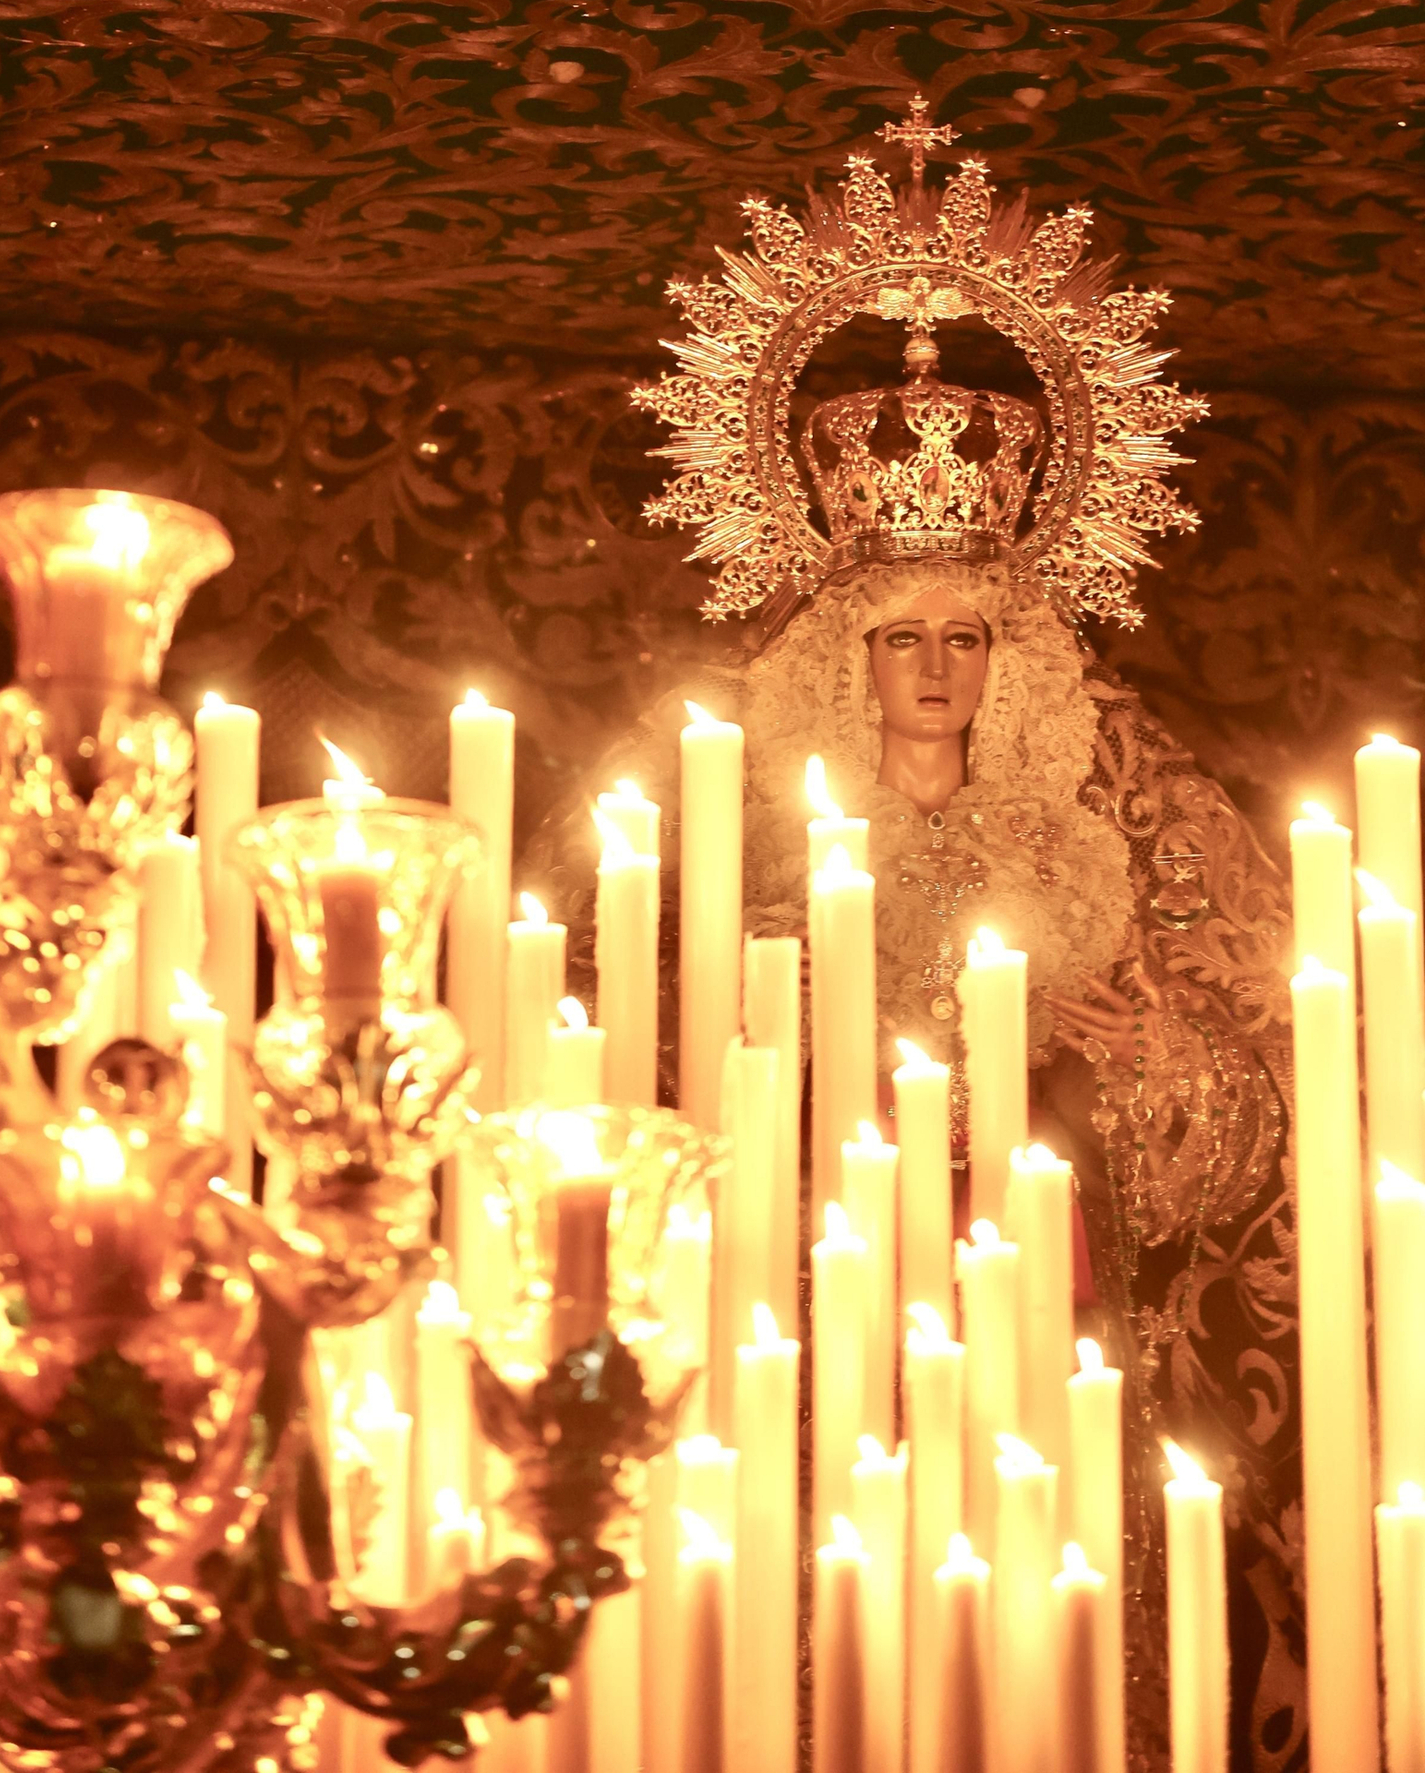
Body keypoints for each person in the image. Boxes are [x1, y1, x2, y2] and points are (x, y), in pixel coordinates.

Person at [522, 119, 1303, 1773]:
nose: (935, 672)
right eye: (902, 641)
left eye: (967, 638)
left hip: (1039, 1299)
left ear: (1008, 660)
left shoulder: (1108, 835)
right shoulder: (744, 837)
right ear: (842, 656)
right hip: (797, 1296)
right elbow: (604, 1062)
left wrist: (1156, 1069)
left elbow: (1236, 1144)